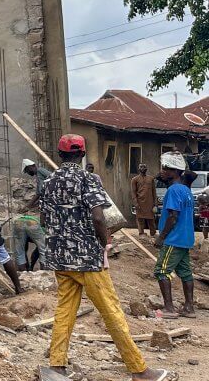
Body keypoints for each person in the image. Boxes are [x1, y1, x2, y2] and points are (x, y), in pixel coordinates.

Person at [38, 134, 168, 381]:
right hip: (87, 258)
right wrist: (104, 241)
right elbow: (99, 217)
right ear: (82, 154)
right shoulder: (87, 179)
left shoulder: (49, 181)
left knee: (65, 310)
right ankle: (139, 370)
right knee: (112, 311)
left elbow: (44, 219)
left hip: (60, 258)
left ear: (60, 154)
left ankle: (56, 366)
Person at [153, 154, 197, 319]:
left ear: (177, 172)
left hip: (173, 239)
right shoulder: (186, 190)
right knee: (185, 273)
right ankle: (189, 308)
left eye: (167, 168)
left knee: (161, 271)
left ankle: (169, 308)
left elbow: (173, 217)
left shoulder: (172, 190)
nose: (162, 171)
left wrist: (161, 237)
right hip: (185, 239)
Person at [17, 159, 50, 271]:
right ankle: (33, 268)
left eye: (27, 170)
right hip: (45, 206)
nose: (28, 173)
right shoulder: (38, 176)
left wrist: (27, 206)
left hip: (48, 206)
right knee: (42, 245)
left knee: (42, 246)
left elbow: (41, 193)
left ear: (32, 166)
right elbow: (38, 194)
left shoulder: (40, 171)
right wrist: (28, 206)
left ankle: (43, 270)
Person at [132, 164, 158, 237]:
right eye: (141, 167)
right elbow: (133, 192)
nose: (143, 168)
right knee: (140, 218)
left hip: (150, 202)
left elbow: (154, 191)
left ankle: (153, 232)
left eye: (144, 167)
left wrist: (155, 203)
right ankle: (141, 233)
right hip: (139, 202)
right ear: (138, 168)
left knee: (151, 218)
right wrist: (135, 203)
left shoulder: (151, 179)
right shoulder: (135, 179)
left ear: (147, 168)